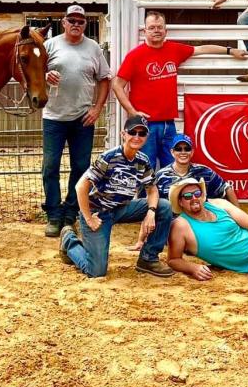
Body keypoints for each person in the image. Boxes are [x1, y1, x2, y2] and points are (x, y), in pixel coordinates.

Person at [113, 11, 246, 168]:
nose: (156, 31)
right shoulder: (135, 56)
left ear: (165, 31)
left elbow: (202, 49)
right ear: (145, 31)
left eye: (159, 27)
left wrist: (230, 51)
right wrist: (132, 111)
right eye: (152, 27)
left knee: (172, 169)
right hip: (145, 125)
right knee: (144, 168)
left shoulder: (174, 49)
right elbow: (117, 84)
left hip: (169, 124)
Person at [59, 115, 175, 279]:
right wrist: (89, 218)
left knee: (163, 206)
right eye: (132, 132)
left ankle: (148, 258)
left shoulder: (143, 160)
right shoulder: (109, 157)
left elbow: (152, 189)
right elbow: (80, 187)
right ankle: (69, 242)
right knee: (96, 271)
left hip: (122, 208)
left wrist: (151, 211)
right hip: (98, 213)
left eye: (142, 133)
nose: (137, 137)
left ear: (146, 137)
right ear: (123, 134)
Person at [41, 4, 112, 237]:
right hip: (53, 117)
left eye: (80, 21)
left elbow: (104, 79)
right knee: (50, 166)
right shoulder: (49, 45)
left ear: (85, 24)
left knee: (81, 167)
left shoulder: (93, 48)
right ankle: (53, 215)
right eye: (71, 20)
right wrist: (44, 75)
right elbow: (32, 72)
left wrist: (97, 108)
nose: (75, 24)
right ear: (63, 22)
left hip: (83, 118)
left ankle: (71, 212)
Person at [154, 133, 240, 206]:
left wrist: (238, 212)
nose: (183, 152)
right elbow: (152, 198)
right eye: (178, 149)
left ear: (192, 152)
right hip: (173, 218)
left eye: (187, 149)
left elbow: (226, 188)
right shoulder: (161, 175)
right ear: (172, 152)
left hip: (200, 216)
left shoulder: (205, 171)